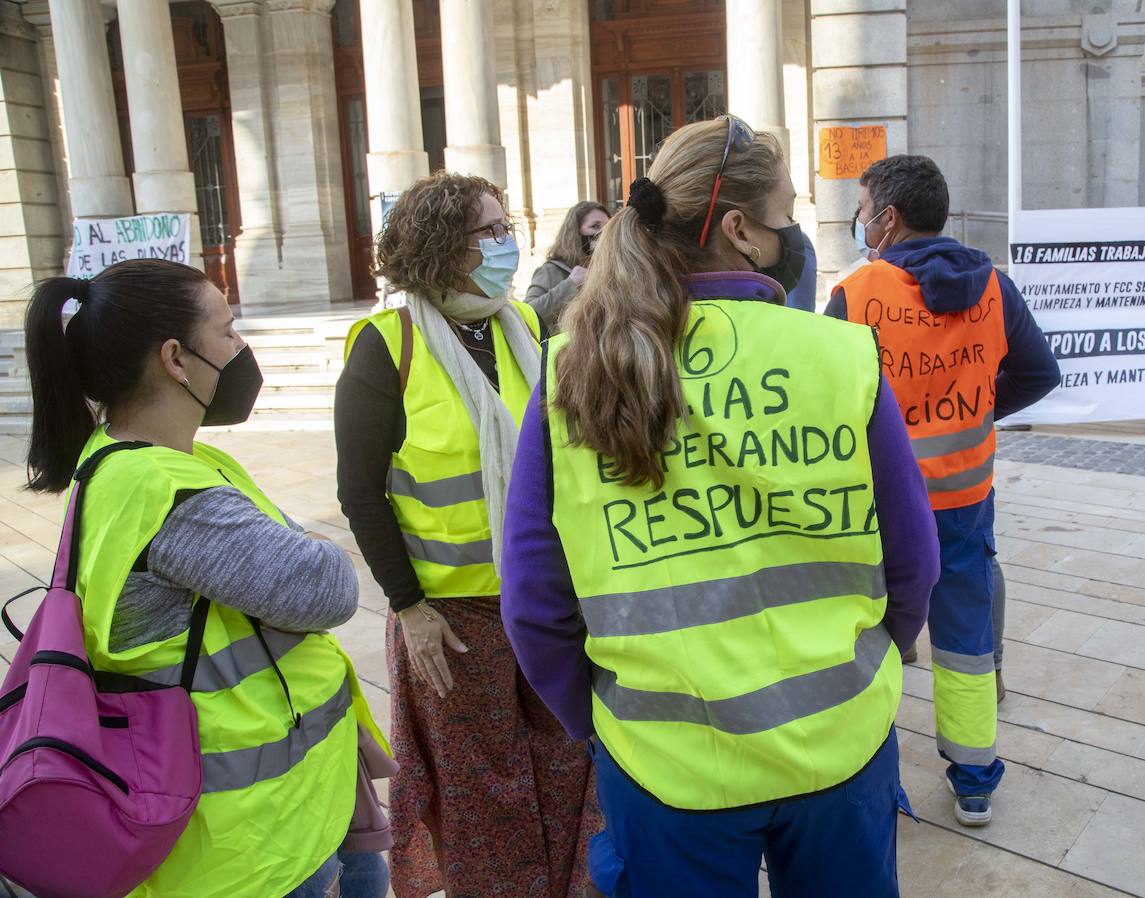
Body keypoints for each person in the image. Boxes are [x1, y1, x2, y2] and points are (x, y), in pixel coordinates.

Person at [501, 116, 942, 898]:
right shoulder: (837, 353)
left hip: (665, 763)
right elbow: (914, 564)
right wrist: (866, 665)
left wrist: (598, 723)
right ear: (739, 229)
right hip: (839, 742)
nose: (796, 229)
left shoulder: (573, 365)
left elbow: (535, 600)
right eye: (786, 210)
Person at [22, 259, 391, 898]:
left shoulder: (145, 462)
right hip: (258, 847)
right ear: (175, 358)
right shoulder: (165, 491)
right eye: (226, 329)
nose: (240, 345)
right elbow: (326, 587)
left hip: (292, 808)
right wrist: (305, 545)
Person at [333, 172, 599, 898]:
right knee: (484, 786)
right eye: (488, 229)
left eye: (503, 225)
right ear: (444, 244)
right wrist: (410, 608)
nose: (503, 241)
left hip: (547, 602)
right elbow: (360, 492)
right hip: (453, 620)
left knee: (570, 762)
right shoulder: (384, 348)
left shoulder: (531, 330)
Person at [827, 154, 1059, 827]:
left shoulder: (860, 292)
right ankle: (976, 781)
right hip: (963, 499)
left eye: (865, 208)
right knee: (964, 641)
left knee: (869, 638)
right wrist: (979, 406)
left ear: (889, 218)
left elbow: (836, 399)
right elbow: (1040, 374)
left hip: (881, 507)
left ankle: (868, 774)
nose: (862, 220)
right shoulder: (994, 287)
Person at [526, 200, 611, 332]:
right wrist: (571, 284)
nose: (604, 233)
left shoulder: (610, 270)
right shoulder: (551, 271)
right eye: (595, 226)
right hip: (564, 350)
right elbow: (527, 314)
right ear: (575, 233)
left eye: (608, 227)